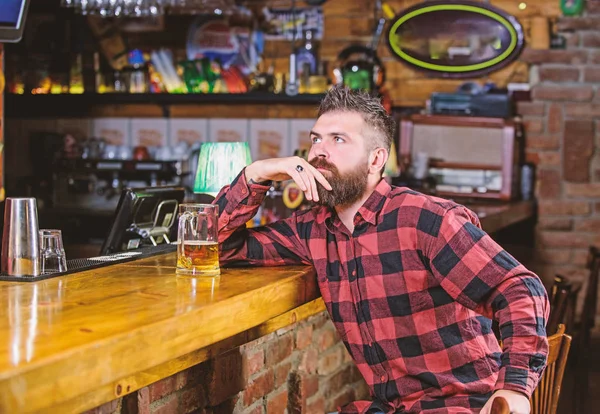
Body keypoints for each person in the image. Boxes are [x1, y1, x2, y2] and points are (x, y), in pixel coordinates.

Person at [213, 85, 549, 414]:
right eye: (316, 138)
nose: (319, 151)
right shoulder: (312, 229)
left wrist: (514, 386)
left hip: (464, 403)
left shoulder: (425, 219)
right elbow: (218, 246)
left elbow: (520, 289)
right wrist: (257, 173)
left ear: (376, 159)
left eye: (338, 139)